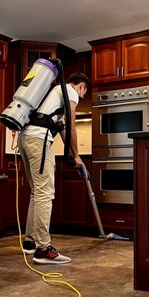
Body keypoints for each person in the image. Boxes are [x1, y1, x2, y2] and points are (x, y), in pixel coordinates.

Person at [18, 72, 90, 264]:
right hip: (38, 139)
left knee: (37, 192)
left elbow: (64, 129)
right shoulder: (71, 91)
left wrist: (73, 155)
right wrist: (76, 155)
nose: (80, 98)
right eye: (83, 94)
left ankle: (30, 241)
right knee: (45, 193)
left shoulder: (54, 92)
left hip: (26, 138)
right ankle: (43, 249)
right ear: (81, 86)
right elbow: (73, 125)